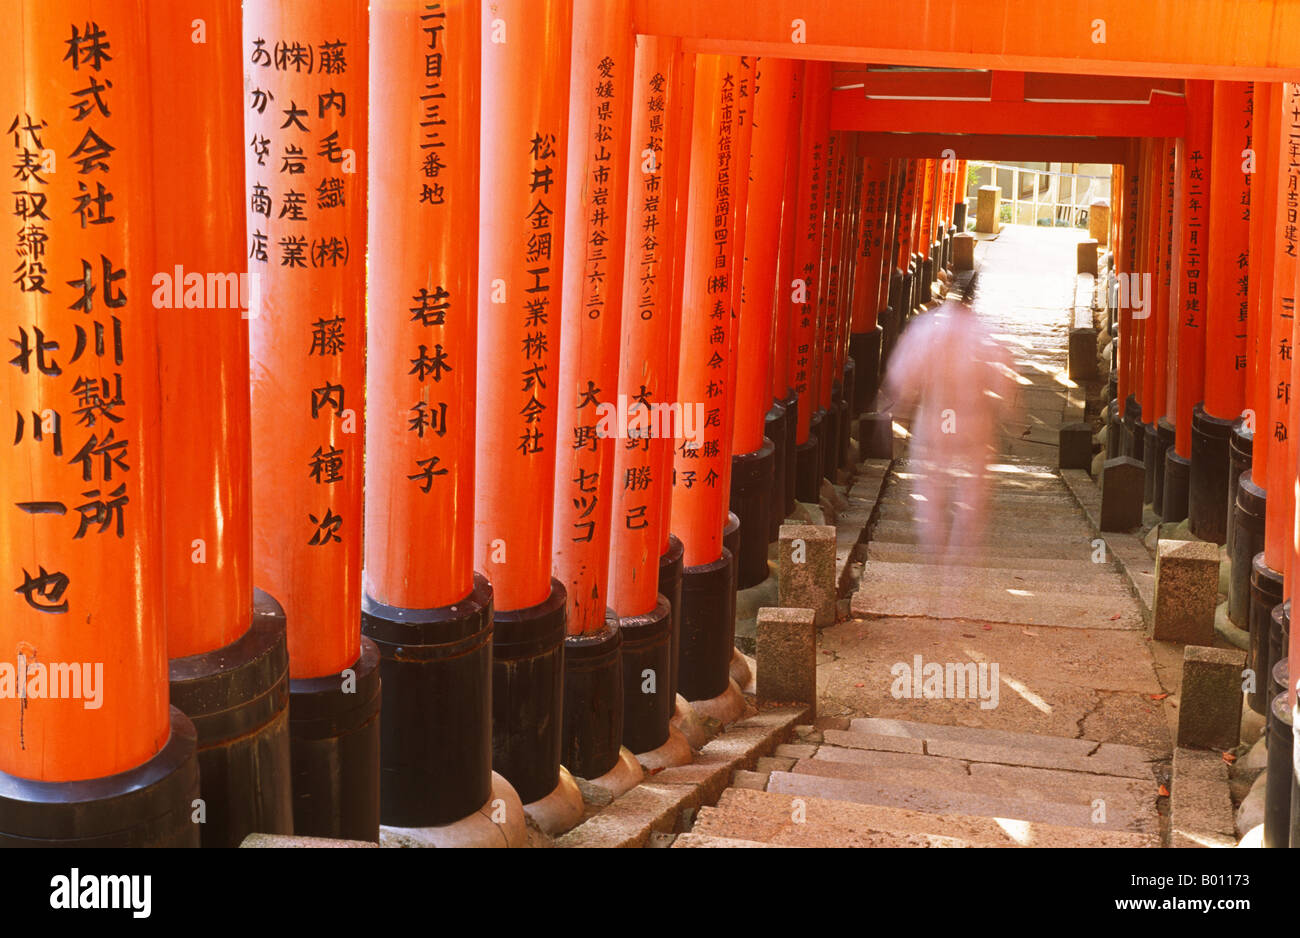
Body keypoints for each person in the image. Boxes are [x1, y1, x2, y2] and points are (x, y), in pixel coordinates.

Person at [876, 273, 1016, 560]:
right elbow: (1004, 379)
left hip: (936, 416)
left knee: (929, 475)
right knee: (974, 480)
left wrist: (899, 407)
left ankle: (934, 539)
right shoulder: (980, 331)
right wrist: (1009, 413)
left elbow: (903, 375)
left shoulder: (927, 328)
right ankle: (962, 544)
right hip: (973, 420)